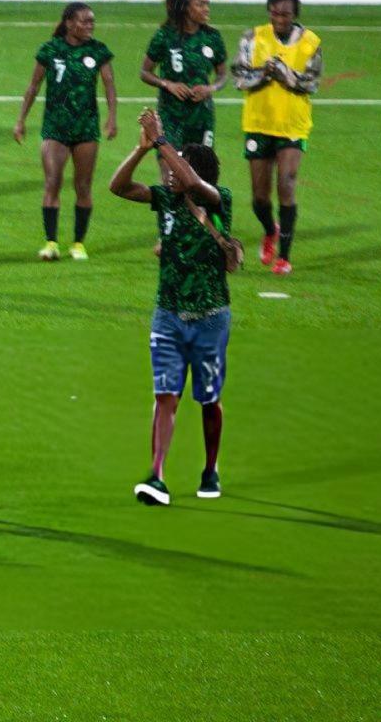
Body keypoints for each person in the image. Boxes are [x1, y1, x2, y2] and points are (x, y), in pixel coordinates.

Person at [109, 109, 239, 506]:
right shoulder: (165, 200)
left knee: (209, 399)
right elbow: (118, 186)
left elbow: (192, 183)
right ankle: (157, 476)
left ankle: (210, 468)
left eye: (173, 163)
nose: (165, 170)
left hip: (210, 317)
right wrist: (141, 147)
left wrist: (163, 141)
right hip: (167, 313)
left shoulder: (218, 199)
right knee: (165, 395)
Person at [13, 2, 118, 261]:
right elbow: (33, 86)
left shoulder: (99, 51)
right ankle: (51, 242)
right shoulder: (50, 50)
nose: (90, 26)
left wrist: (112, 118)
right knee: (52, 183)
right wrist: (21, 120)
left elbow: (109, 85)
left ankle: (78, 243)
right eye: (84, 21)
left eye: (92, 21)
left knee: (83, 186)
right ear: (69, 23)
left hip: (86, 128)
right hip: (55, 128)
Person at [233, 0, 321, 276]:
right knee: (259, 197)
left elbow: (312, 83)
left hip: (292, 125)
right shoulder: (252, 37)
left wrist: (286, 75)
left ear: (295, 14)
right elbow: (240, 78)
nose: (278, 19)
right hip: (258, 122)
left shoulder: (310, 42)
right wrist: (264, 73)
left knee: (287, 183)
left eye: (284, 14)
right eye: (273, 13)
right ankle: (270, 230)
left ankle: (284, 257)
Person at [140, 0, 227, 150]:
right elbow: (144, 72)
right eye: (200, 4)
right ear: (186, 8)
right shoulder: (165, 36)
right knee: (170, 173)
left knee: (201, 172)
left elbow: (222, 75)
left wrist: (210, 88)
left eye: (207, 4)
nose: (206, 8)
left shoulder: (212, 37)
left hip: (202, 116)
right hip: (171, 116)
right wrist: (168, 84)